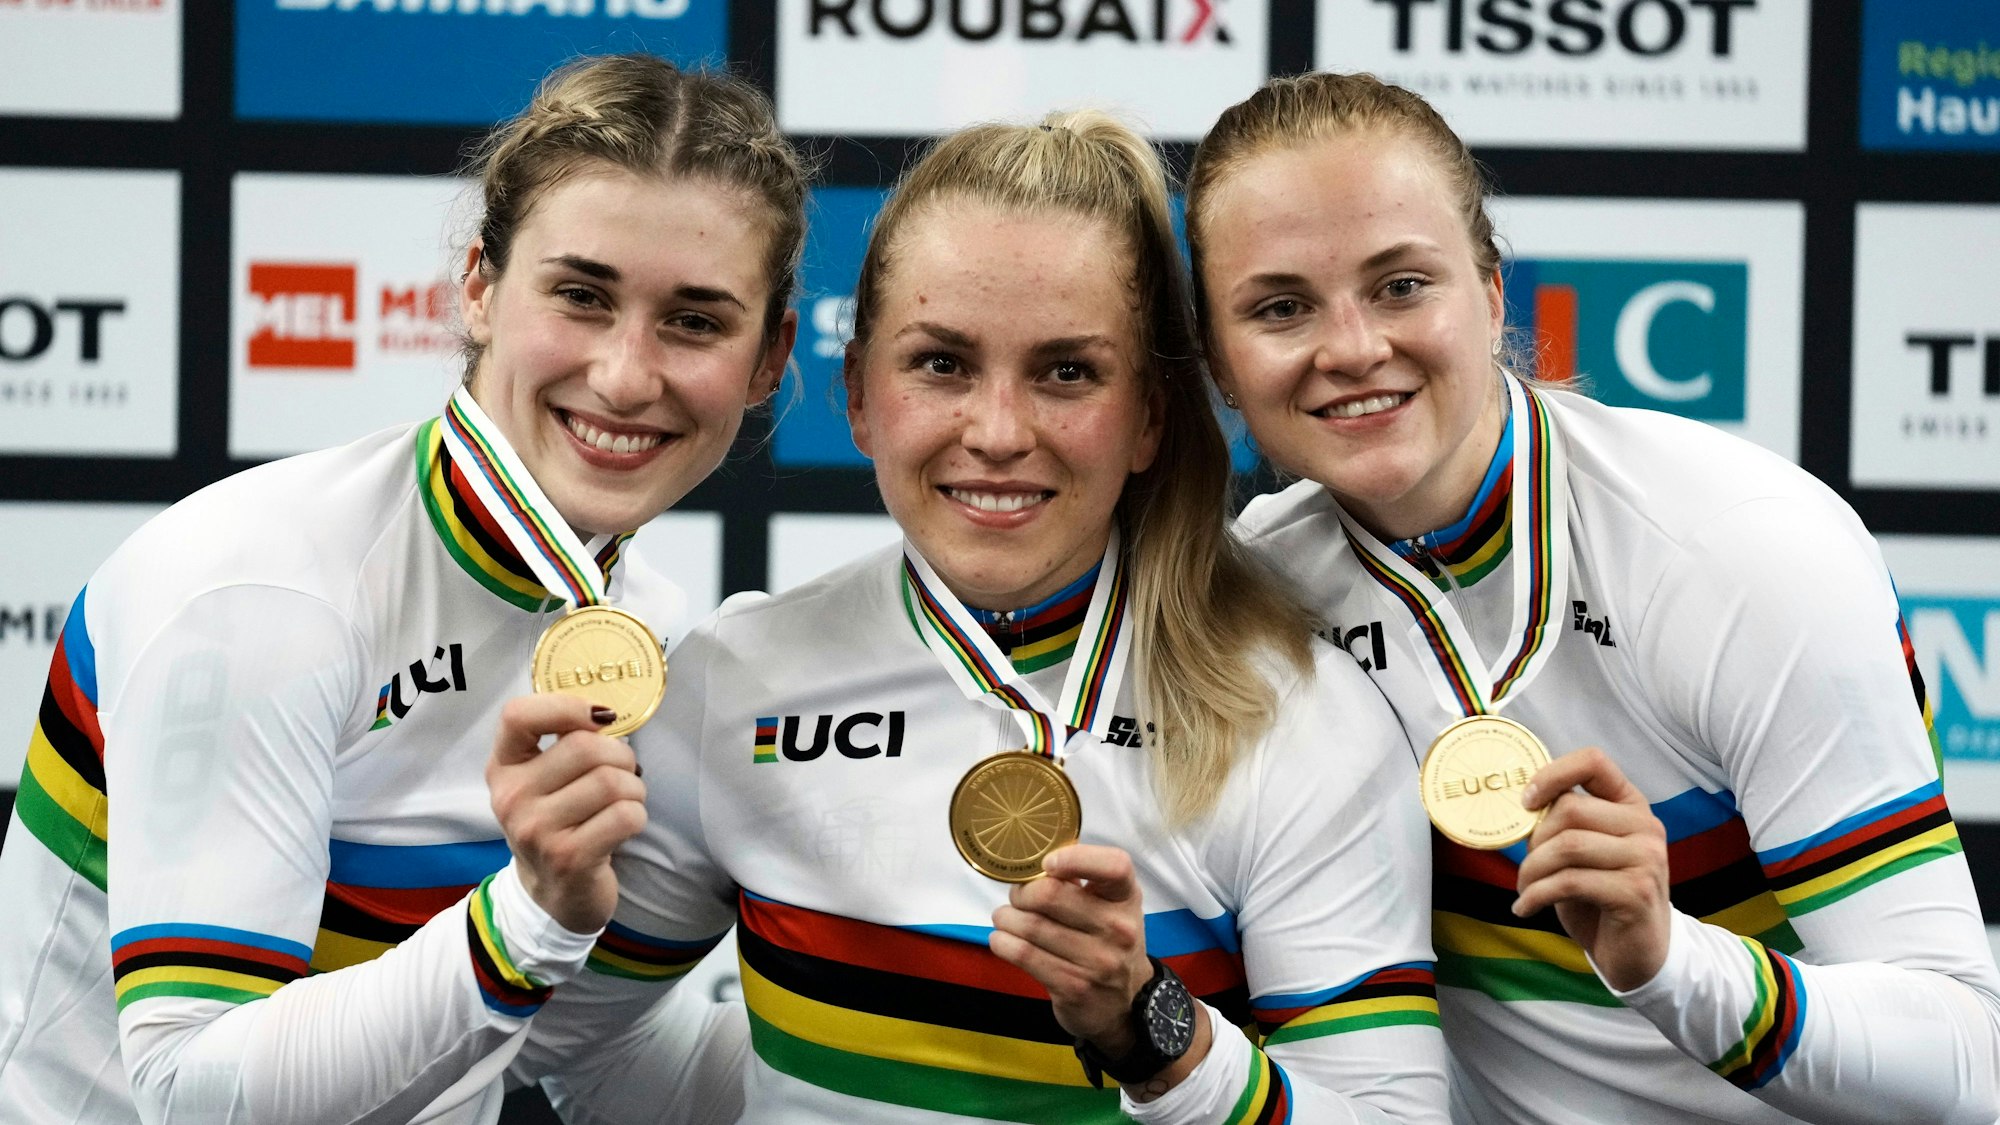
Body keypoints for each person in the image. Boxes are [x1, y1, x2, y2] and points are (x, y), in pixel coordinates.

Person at [504, 110, 1448, 1124]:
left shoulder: (1303, 718)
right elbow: (560, 1045)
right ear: (860, 394)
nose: (997, 433)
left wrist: (1156, 1034)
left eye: (1065, 374)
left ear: (1147, 418)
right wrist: (537, 906)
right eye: (942, 364)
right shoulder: (734, 680)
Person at [0, 53, 804, 1125]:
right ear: (478, 286)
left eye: (694, 321)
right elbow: (194, 1094)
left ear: (766, 360)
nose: (624, 373)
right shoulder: (262, 591)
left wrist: (991, 1040)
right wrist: (524, 924)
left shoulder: (645, 628)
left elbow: (574, 1055)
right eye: (580, 296)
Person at [1191, 71, 2000, 1124]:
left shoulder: (1735, 551)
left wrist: (1668, 959)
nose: (1350, 349)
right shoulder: (1253, 595)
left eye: (1400, 286)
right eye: (1281, 307)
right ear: (1216, 361)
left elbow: (1964, 1058)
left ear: (1487, 296)